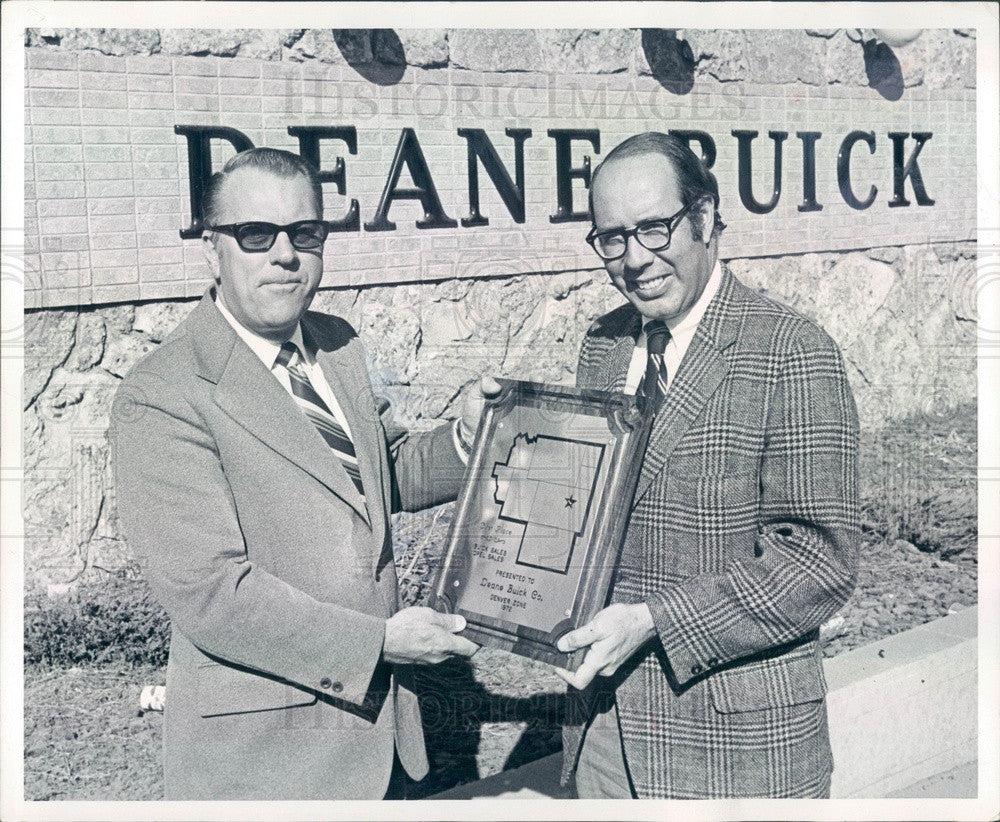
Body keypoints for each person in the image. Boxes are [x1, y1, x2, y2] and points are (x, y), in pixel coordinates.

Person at [111, 147, 492, 800]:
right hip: (264, 763)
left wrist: (469, 436)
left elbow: (377, 475)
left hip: (381, 743)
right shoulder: (163, 393)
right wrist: (379, 643)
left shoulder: (337, 344)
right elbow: (213, 594)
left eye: (305, 233)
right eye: (257, 234)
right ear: (213, 249)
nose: (285, 254)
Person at [555, 132, 859, 799]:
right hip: (606, 736)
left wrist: (656, 620)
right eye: (611, 238)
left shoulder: (792, 352)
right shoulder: (603, 346)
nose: (634, 259)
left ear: (704, 218)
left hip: (736, 750)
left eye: (654, 229)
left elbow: (818, 562)